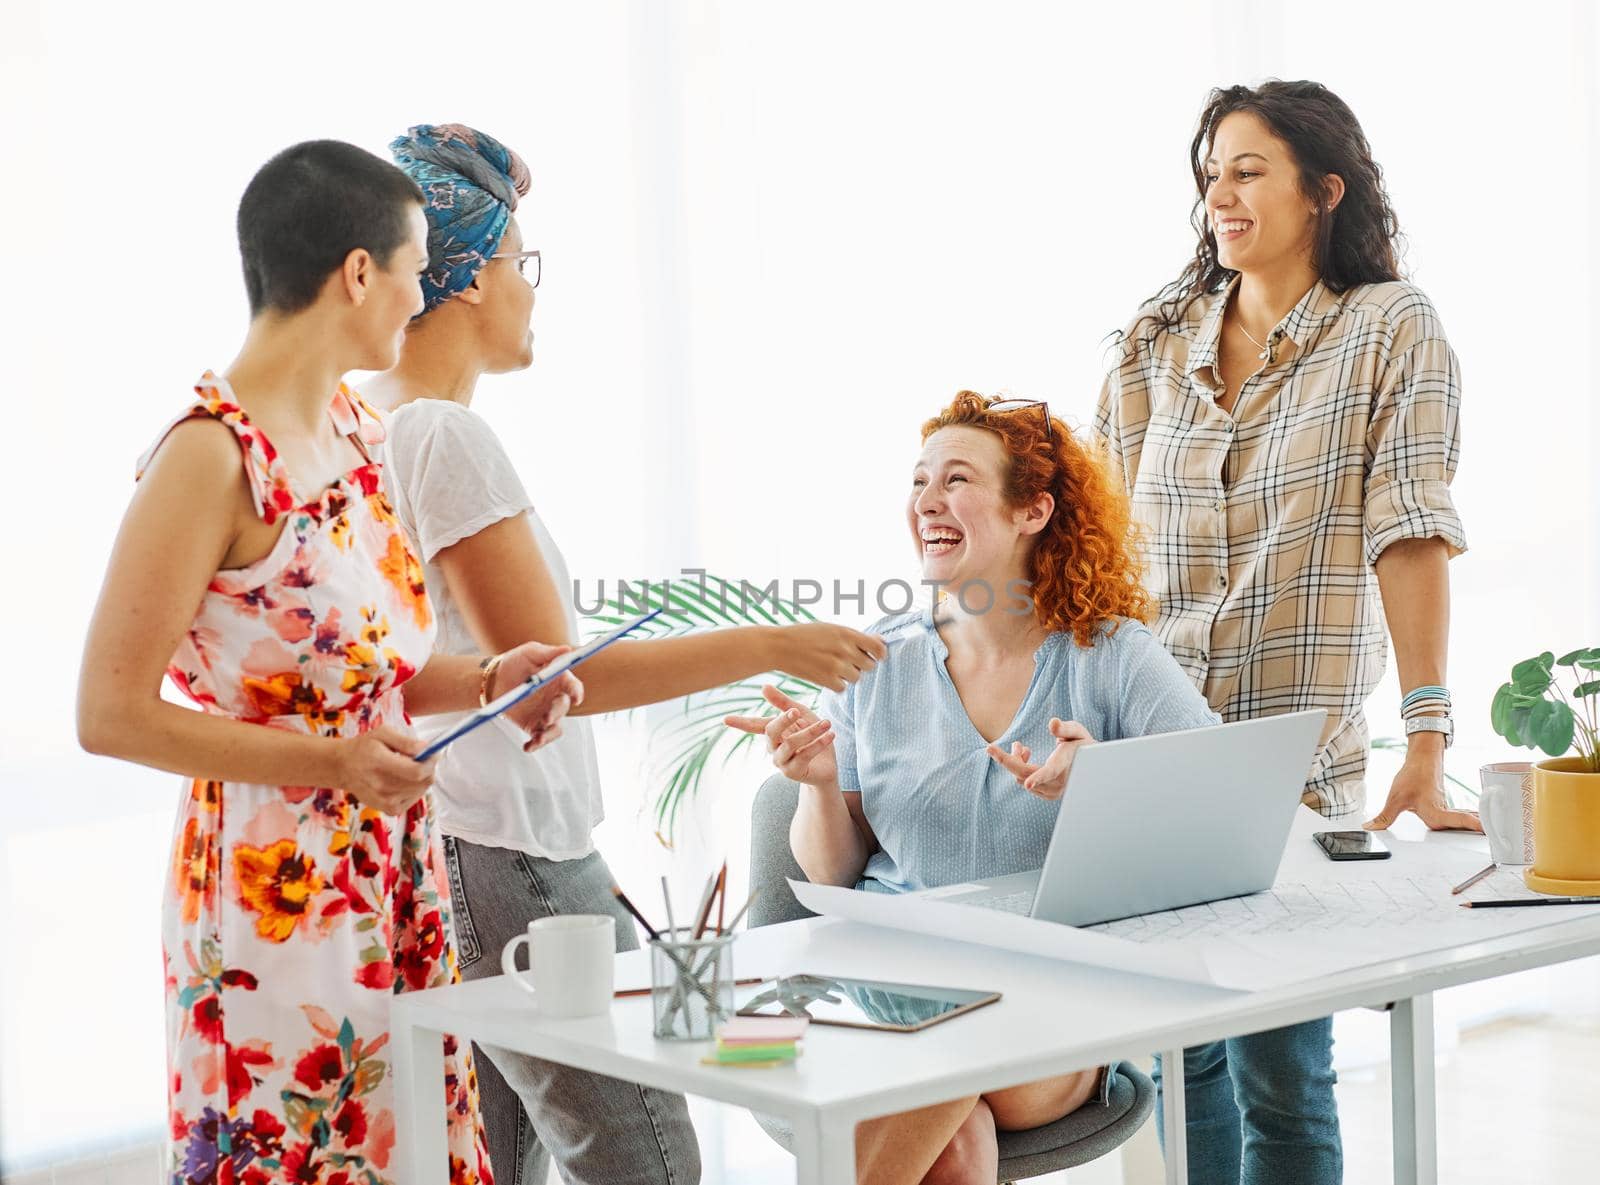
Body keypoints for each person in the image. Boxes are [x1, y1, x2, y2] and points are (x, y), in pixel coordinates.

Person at [361, 123, 887, 1185]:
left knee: (496, 1159)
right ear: (461, 279)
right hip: (516, 854)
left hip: (452, 847)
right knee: (648, 1159)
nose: (532, 291)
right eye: (522, 264)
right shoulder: (441, 437)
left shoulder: (370, 425)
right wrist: (778, 642)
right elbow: (559, 680)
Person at [75, 139, 583, 1185]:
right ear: (359, 272)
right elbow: (109, 714)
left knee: (414, 1151)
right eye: (411, 269)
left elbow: (363, 672)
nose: (419, 296)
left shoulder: (358, 431)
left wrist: (491, 678)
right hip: (272, 894)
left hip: (395, 868)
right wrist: (336, 766)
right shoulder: (206, 454)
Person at [1095, 80, 1472, 1184]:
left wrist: (1427, 735)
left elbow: (1410, 529)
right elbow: (1101, 556)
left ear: (1323, 191)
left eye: (1248, 169)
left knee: (1283, 1074)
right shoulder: (1155, 341)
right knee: (1178, 1067)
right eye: (1210, 172)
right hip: (1149, 761)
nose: (1220, 193)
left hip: (1292, 775)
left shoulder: (1388, 329)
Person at [728, 391, 1221, 1185]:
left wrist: (1104, 782)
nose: (927, 501)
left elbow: (1217, 802)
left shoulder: (1113, 656)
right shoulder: (871, 665)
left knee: (951, 1057)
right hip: (889, 990)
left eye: (956, 479)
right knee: (954, 1140)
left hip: (1053, 1012)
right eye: (919, 481)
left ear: (1033, 510)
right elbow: (828, 875)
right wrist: (820, 784)